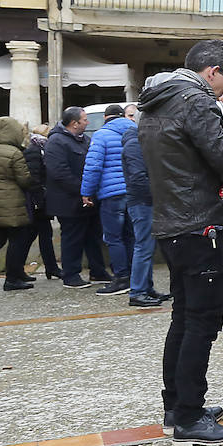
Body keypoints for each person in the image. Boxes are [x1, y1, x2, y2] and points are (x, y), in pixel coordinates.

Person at [138, 39, 223, 445]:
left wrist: (221, 134)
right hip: (199, 222)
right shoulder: (196, 99)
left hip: (171, 220)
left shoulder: (156, 100)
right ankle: (189, 418)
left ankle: (177, 406)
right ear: (213, 71)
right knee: (202, 320)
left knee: (183, 317)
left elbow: (184, 153)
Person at [47, 106, 109, 288]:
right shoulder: (57, 142)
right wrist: (83, 191)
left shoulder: (83, 140)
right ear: (74, 124)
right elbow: (59, 173)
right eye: (84, 120)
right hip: (68, 201)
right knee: (72, 239)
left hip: (87, 200)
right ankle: (71, 275)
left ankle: (98, 272)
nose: (87, 122)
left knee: (93, 237)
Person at [81, 104, 136, 296]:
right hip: (134, 191)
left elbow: (93, 167)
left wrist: (86, 192)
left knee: (113, 238)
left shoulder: (101, 135)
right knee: (130, 236)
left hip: (112, 194)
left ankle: (121, 278)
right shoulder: (135, 132)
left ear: (105, 118)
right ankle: (133, 276)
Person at [121, 112, 167, 307]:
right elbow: (139, 179)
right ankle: (138, 291)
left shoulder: (139, 142)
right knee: (143, 247)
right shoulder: (134, 145)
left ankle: (145, 288)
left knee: (146, 247)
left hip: (145, 201)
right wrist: (160, 195)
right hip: (142, 202)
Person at [0, 116, 37, 291]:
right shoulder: (14, 153)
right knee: (17, 240)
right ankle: (12, 278)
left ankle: (15, 275)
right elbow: (24, 180)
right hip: (12, 204)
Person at [22, 125, 61, 280]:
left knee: (42, 234)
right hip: (37, 201)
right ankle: (50, 268)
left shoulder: (39, 149)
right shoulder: (35, 150)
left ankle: (51, 268)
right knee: (36, 235)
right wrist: (39, 200)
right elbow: (34, 178)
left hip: (40, 200)